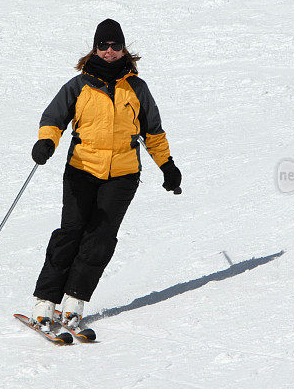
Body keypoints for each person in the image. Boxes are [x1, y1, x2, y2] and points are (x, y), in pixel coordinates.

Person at [29, 19, 182, 330]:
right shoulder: (79, 86)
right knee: (70, 234)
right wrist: (47, 141)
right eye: (104, 45)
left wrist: (167, 165)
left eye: (115, 46)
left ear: (123, 48)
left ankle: (74, 303)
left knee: (100, 239)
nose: (110, 51)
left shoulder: (137, 88)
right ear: (94, 48)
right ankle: (45, 302)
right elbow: (54, 118)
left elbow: (152, 132)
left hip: (123, 175)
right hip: (81, 170)